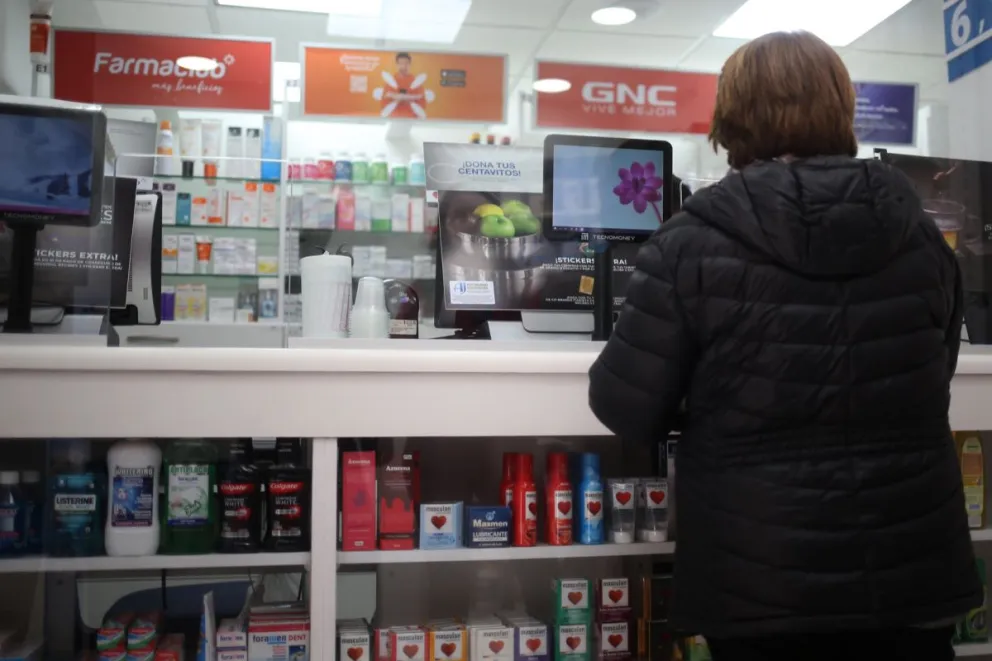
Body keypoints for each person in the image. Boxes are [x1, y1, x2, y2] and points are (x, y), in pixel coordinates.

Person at [588, 31, 981, 661]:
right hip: (908, 574)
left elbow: (626, 406)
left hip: (759, 580)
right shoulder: (920, 238)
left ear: (732, 118)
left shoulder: (690, 242)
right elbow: (934, 374)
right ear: (841, 110)